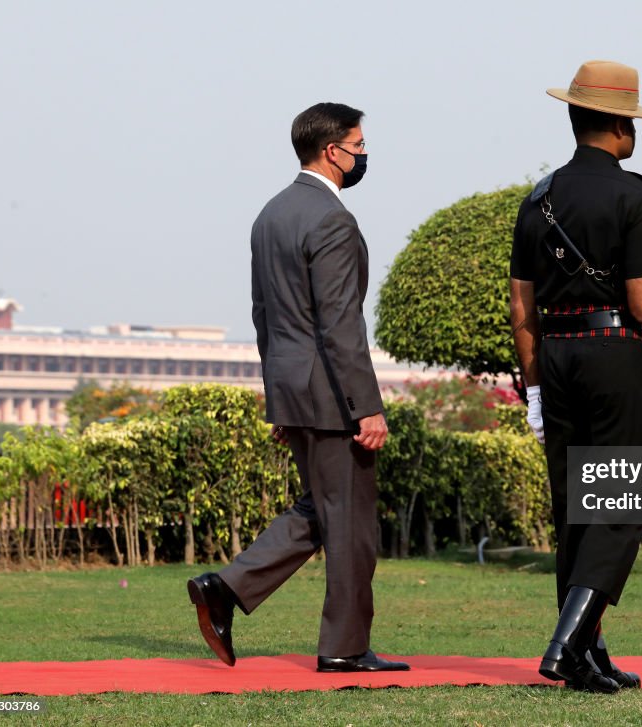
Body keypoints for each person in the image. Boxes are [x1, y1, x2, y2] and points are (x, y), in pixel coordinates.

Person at [509, 60, 642, 693]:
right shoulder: (634, 194)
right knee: (621, 502)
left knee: (576, 507)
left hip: (555, 355)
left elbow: (521, 307)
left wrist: (534, 387)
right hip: (612, 354)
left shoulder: (537, 197)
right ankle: (567, 643)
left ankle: (588, 654)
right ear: (619, 126)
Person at [187, 102, 409, 673]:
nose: (363, 156)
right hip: (333, 395)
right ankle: (344, 647)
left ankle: (225, 588)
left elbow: (265, 316)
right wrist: (368, 408)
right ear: (332, 150)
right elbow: (340, 324)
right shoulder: (332, 219)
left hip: (294, 386)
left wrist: (279, 400)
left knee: (323, 509)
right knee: (352, 521)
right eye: (359, 146)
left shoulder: (271, 214)